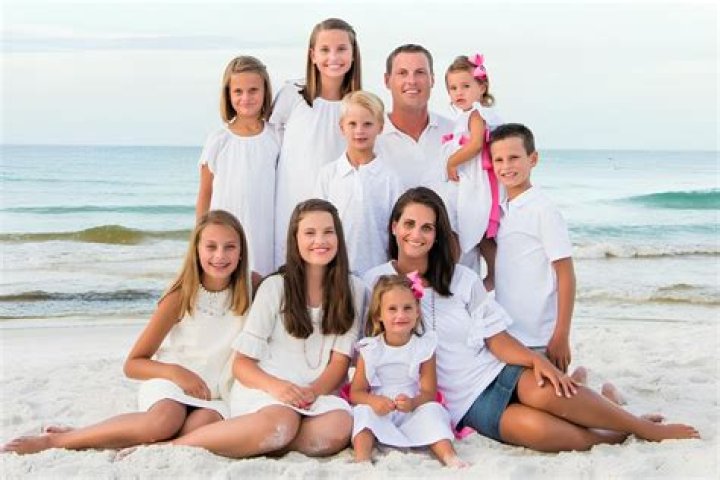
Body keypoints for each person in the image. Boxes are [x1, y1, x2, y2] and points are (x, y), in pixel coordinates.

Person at [364, 187, 699, 452]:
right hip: (461, 403)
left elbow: (495, 339)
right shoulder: (374, 282)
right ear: (394, 227)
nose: (417, 234)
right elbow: (367, 346)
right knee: (540, 432)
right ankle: (615, 424)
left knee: (546, 391)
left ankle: (646, 428)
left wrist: (537, 362)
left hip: (492, 372)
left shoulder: (462, 279)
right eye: (409, 224)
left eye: (427, 227)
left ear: (437, 235)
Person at [2, 210, 253, 455]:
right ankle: (58, 440)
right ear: (196, 250)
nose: (220, 255)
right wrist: (178, 373)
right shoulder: (180, 296)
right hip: (171, 385)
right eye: (211, 246)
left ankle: (127, 441)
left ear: (241, 251)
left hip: (215, 395)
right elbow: (133, 364)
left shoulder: (253, 288)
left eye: (230, 247)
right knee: (164, 422)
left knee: (203, 425)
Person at [168, 199, 367, 459]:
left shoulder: (354, 289)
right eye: (309, 233)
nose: (320, 240)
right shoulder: (275, 287)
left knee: (339, 427)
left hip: (314, 392)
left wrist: (313, 391)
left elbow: (339, 363)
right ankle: (176, 446)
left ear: (338, 237)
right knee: (282, 421)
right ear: (295, 239)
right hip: (265, 387)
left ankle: (255, 440)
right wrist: (278, 388)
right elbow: (242, 365)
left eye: (328, 232)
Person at [272, 18, 362, 268]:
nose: (333, 57)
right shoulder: (292, 95)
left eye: (341, 49)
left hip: (337, 208)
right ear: (312, 55)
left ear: (353, 54)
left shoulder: (358, 104)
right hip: (292, 205)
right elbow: (271, 144)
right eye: (324, 49)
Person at [350, 274, 465, 467]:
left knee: (433, 411)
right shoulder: (371, 349)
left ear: (417, 311)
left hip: (412, 409)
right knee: (363, 411)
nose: (400, 315)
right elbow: (356, 392)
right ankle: (362, 459)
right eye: (392, 309)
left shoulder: (424, 347)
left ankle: (449, 457)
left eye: (407, 308)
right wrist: (374, 401)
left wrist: (412, 403)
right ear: (378, 315)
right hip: (381, 410)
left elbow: (429, 392)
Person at [195, 56, 279, 278]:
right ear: (228, 94)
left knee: (261, 285)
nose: (246, 98)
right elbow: (205, 193)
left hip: (264, 234)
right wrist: (200, 238)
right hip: (226, 236)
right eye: (238, 92)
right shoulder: (218, 140)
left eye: (253, 90)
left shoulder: (277, 136)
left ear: (265, 92)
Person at [314, 91, 402, 275]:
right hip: (335, 273)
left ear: (380, 127)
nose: (359, 131)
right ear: (342, 127)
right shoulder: (328, 175)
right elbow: (318, 225)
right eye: (352, 124)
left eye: (367, 124)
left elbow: (398, 232)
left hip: (379, 274)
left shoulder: (390, 179)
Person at [442, 54, 503, 287]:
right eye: (453, 88)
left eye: (466, 86)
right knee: (473, 228)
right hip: (471, 179)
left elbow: (476, 144)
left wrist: (452, 161)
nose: (459, 92)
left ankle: (492, 274)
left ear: (482, 87)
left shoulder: (476, 114)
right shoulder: (467, 116)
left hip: (476, 182)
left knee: (472, 225)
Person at [375, 44, 453, 192]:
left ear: (432, 79)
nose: (411, 81)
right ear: (387, 80)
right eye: (402, 73)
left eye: (420, 72)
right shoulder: (370, 137)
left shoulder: (455, 132)